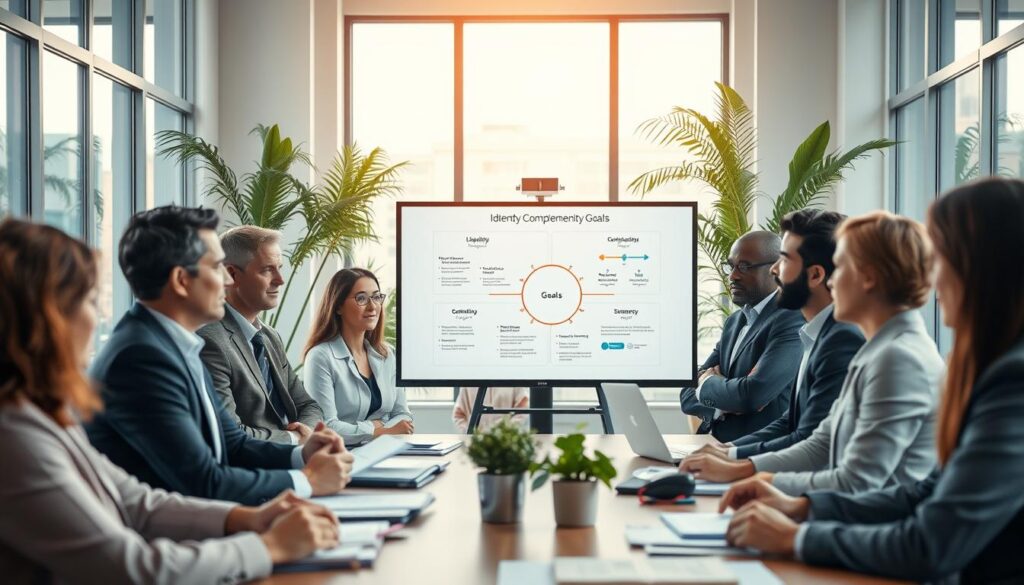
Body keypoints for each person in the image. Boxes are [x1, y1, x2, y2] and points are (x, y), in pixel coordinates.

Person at [718, 177, 1024, 584]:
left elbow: (931, 543)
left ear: (984, 268)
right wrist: (803, 507)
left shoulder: (1007, 380)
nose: (935, 280)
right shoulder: (953, 361)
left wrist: (797, 537)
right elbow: (925, 492)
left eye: (944, 258)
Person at [0, 218, 339, 583]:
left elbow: (138, 502)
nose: (97, 318)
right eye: (90, 300)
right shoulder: (16, 433)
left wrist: (247, 518)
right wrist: (269, 545)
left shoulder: (44, 411)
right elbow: (129, 566)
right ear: (49, 319)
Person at [86, 206, 354, 506]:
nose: (227, 281)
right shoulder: (141, 358)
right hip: (175, 526)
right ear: (181, 280)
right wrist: (308, 480)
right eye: (216, 267)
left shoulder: (174, 344)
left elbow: (232, 444)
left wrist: (302, 454)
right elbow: (202, 481)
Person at [683, 211, 942, 495]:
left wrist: (752, 480)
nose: (831, 281)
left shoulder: (896, 358)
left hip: (861, 517)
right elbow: (821, 442)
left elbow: (857, 481)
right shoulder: (876, 348)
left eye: (839, 267)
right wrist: (734, 459)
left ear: (868, 278)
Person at [685, 210, 863, 463]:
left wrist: (739, 464)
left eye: (785, 260)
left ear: (815, 275)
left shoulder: (841, 340)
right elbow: (790, 422)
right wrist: (727, 451)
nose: (775, 270)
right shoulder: (816, 334)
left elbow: (811, 442)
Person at [199, 226, 325, 444]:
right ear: (231, 275)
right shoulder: (210, 340)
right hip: (260, 461)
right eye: (267, 270)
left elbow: (309, 406)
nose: (280, 280)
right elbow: (230, 435)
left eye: (279, 268)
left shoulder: (269, 336)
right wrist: (292, 438)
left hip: (295, 453)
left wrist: (306, 432)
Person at [680, 231, 805, 442]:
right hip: (716, 447)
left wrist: (707, 383)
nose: (732, 276)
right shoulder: (734, 322)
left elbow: (752, 395)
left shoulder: (792, 320)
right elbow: (687, 395)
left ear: (777, 269)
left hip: (761, 452)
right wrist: (725, 402)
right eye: (731, 266)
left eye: (745, 267)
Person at [303, 268, 413, 444]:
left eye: (376, 297)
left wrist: (379, 431)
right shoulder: (320, 357)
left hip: (386, 450)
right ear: (338, 306)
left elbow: (403, 415)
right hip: (340, 454)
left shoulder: (387, 354)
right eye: (361, 298)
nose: (372, 306)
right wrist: (377, 430)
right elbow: (326, 427)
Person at [452, 387, 529, 432]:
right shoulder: (470, 380)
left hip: (505, 441)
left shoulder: (511, 376)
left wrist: (507, 431)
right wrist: (470, 433)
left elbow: (523, 407)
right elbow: (458, 414)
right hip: (475, 443)